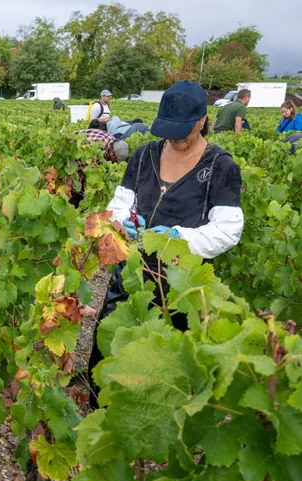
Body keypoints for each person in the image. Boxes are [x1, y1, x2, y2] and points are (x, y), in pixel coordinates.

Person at [88, 80, 244, 408]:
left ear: (202, 120)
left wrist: (180, 238)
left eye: (182, 130)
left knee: (162, 373)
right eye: (168, 130)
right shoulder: (144, 156)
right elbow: (122, 200)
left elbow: (228, 230)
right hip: (130, 276)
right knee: (109, 356)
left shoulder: (221, 166)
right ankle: (101, 414)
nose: (174, 138)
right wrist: (123, 221)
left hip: (180, 286)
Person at [71, 128, 129, 207]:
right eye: (115, 159)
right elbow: (86, 170)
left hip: (84, 147)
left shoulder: (113, 143)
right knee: (75, 190)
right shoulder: (97, 148)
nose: (115, 163)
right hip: (72, 149)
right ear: (112, 152)